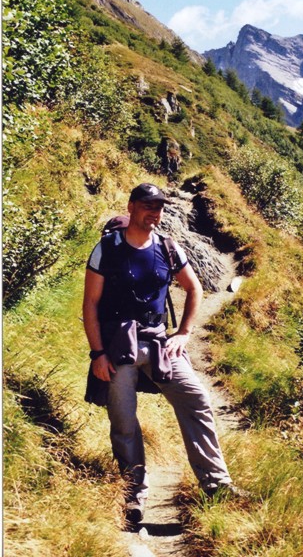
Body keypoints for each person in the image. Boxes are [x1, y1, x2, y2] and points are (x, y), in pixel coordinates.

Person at [82, 183, 237, 525]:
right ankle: (133, 496)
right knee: (123, 422)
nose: (154, 212)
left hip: (158, 341)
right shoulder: (107, 249)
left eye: (160, 207)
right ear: (132, 206)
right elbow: (90, 304)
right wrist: (97, 354)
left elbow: (194, 288)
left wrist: (183, 333)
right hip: (117, 345)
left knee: (196, 399)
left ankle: (216, 483)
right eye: (148, 205)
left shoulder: (168, 247)